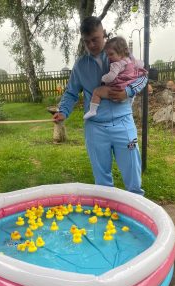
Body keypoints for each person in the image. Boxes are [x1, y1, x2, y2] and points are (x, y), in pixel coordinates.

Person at [53, 16, 147, 195]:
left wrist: (127, 92)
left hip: (123, 123)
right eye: (86, 42)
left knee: (133, 178)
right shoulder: (80, 65)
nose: (91, 45)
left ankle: (137, 213)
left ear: (103, 33)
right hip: (95, 128)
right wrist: (63, 111)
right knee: (102, 182)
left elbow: (142, 77)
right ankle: (105, 217)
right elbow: (71, 93)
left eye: (95, 39)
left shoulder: (120, 54)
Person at [83, 36, 147, 119]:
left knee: (97, 92)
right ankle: (130, 104)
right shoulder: (131, 60)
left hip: (117, 89)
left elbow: (111, 77)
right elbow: (141, 65)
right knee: (131, 97)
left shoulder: (116, 64)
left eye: (111, 54)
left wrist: (102, 79)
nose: (109, 57)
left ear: (121, 53)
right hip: (127, 88)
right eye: (107, 55)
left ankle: (92, 110)